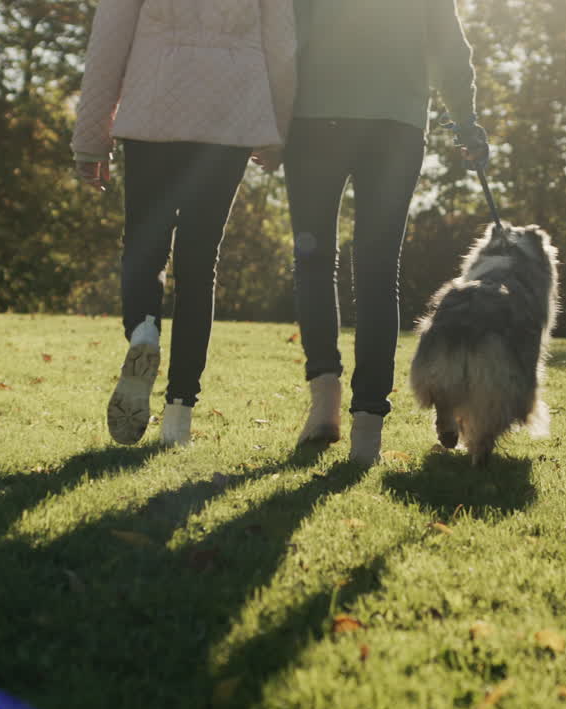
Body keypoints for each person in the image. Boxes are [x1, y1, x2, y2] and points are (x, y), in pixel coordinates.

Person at [72, 0, 296, 447]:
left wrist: (90, 140)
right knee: (198, 264)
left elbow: (108, 43)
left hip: (153, 108)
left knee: (144, 245)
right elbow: (283, 46)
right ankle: (178, 417)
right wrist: (278, 130)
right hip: (230, 115)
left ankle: (144, 332)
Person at [277, 0, 490, 465]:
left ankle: (324, 401)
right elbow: (451, 48)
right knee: (376, 272)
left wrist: (270, 115)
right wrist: (467, 122)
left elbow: (284, 33)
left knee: (314, 262)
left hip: (315, 117)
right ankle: (367, 429)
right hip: (396, 124)